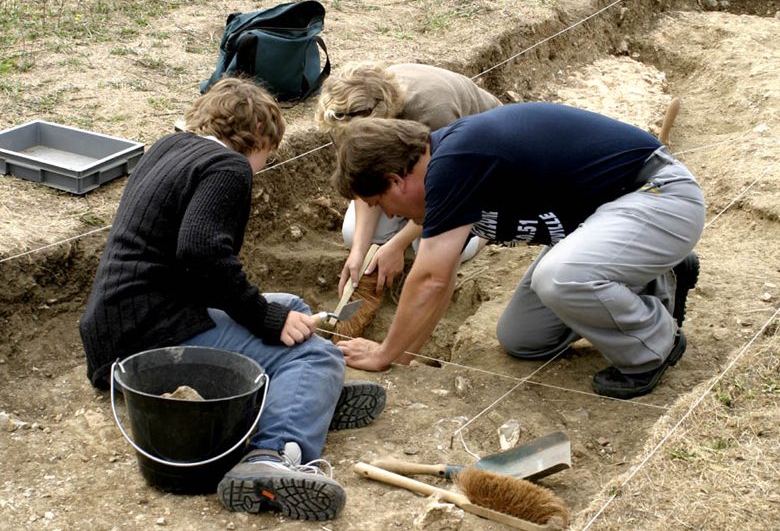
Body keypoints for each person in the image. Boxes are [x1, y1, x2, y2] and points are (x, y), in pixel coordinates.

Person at [79, 77, 385, 521]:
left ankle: (301, 402)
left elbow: (187, 261)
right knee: (315, 358)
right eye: (268, 155)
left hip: (118, 324)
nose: (263, 167)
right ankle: (272, 457)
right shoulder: (229, 167)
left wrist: (272, 313)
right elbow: (202, 252)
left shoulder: (168, 147)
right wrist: (262, 315)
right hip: (151, 335)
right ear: (258, 140)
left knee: (294, 308)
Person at [331, 102, 705, 399]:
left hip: (658, 197)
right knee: (523, 339)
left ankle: (653, 347)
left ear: (396, 181)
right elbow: (440, 283)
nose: (392, 214)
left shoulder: (455, 162)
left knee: (559, 277)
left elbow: (429, 279)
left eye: (381, 202)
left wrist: (383, 354)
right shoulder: (447, 167)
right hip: (603, 225)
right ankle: (653, 274)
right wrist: (403, 357)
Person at [315, 61, 501, 302]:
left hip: (475, 176)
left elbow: (445, 192)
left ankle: (487, 228)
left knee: (435, 249)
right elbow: (365, 180)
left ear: (380, 117)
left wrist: (397, 245)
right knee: (353, 235)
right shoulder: (344, 119)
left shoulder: (433, 112)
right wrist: (358, 252)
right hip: (414, 180)